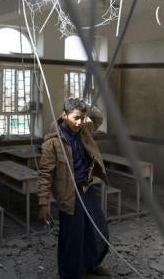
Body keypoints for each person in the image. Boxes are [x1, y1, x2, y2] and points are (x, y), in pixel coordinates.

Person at [38, 97, 110, 279]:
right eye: (76, 118)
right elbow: (45, 174)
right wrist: (43, 203)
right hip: (69, 194)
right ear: (64, 116)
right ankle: (69, 274)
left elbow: (99, 119)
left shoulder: (84, 131)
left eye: (82, 118)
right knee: (71, 238)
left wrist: (87, 106)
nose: (79, 122)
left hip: (86, 189)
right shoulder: (52, 143)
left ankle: (90, 264)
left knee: (97, 229)